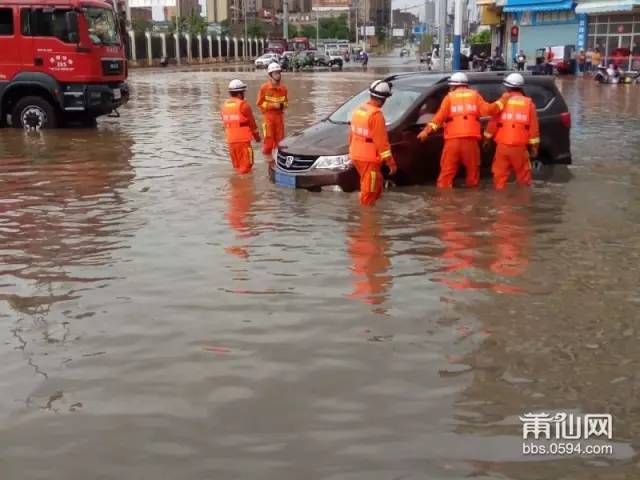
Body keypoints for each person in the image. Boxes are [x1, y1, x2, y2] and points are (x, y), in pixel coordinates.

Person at [416, 72, 505, 189]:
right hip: (470, 141)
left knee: (446, 175)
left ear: (453, 86)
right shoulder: (475, 96)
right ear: (466, 85)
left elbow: (438, 119)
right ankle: (472, 202)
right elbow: (489, 110)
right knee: (473, 174)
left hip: (452, 142)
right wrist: (503, 100)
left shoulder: (449, 98)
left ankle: (444, 201)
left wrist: (426, 131)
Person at [483, 73, 540, 190]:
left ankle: (500, 205)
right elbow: (533, 128)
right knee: (523, 178)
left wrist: (486, 139)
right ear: (521, 87)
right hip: (519, 147)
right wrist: (534, 147)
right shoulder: (529, 104)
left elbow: (492, 123)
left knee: (499, 176)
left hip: (502, 146)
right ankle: (522, 203)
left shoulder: (502, 102)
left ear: (507, 87)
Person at [348, 80, 398, 206]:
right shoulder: (376, 116)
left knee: (375, 185)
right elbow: (382, 144)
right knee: (369, 194)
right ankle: (368, 222)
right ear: (383, 99)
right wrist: (391, 163)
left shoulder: (359, 110)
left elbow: (351, 135)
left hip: (356, 155)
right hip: (369, 159)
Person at [221, 79, 261, 175]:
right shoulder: (243, 105)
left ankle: (236, 187)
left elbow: (225, 123)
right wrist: (257, 138)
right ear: (239, 94)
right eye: (243, 92)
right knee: (247, 168)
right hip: (243, 143)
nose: (244, 95)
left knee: (237, 167)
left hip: (231, 142)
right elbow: (252, 125)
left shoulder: (224, 106)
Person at [257, 63, 288, 158]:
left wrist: (283, 106)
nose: (278, 75)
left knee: (280, 142)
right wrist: (272, 105)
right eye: (275, 73)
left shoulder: (283, 88)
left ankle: (277, 161)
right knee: (268, 143)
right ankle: (267, 161)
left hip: (279, 118)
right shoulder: (264, 88)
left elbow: (286, 102)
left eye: (279, 73)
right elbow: (259, 103)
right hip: (268, 118)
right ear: (270, 75)